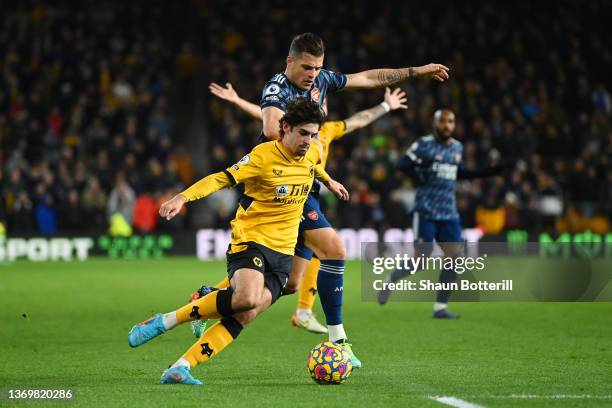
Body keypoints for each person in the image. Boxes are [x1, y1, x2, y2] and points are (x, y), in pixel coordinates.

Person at [127, 98, 349, 385]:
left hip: (283, 252)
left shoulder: (308, 155)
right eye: (303, 133)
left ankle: (182, 366)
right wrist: (182, 197)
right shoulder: (262, 157)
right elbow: (221, 178)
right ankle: (165, 321)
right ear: (284, 128)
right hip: (251, 241)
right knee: (246, 298)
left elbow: (312, 168)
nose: (309, 141)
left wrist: (329, 181)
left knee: (246, 314)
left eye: (313, 134)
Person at [199, 82, 406, 337]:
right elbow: (266, 115)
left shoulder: (327, 131)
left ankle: (215, 296)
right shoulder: (293, 132)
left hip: (310, 196)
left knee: (291, 282)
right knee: (332, 247)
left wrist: (386, 106)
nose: (322, 104)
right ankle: (327, 328)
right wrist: (237, 100)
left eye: (324, 101)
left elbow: (359, 120)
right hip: (295, 197)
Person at [377, 108, 504, 318]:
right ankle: (392, 277)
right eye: (443, 121)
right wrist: (419, 172)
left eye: (450, 122)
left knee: (455, 257)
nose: (447, 125)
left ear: (454, 125)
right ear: (435, 123)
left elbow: (458, 172)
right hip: (425, 210)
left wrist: (484, 172)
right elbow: (402, 164)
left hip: (449, 212)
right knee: (421, 259)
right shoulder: (423, 144)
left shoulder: (457, 147)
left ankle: (440, 308)